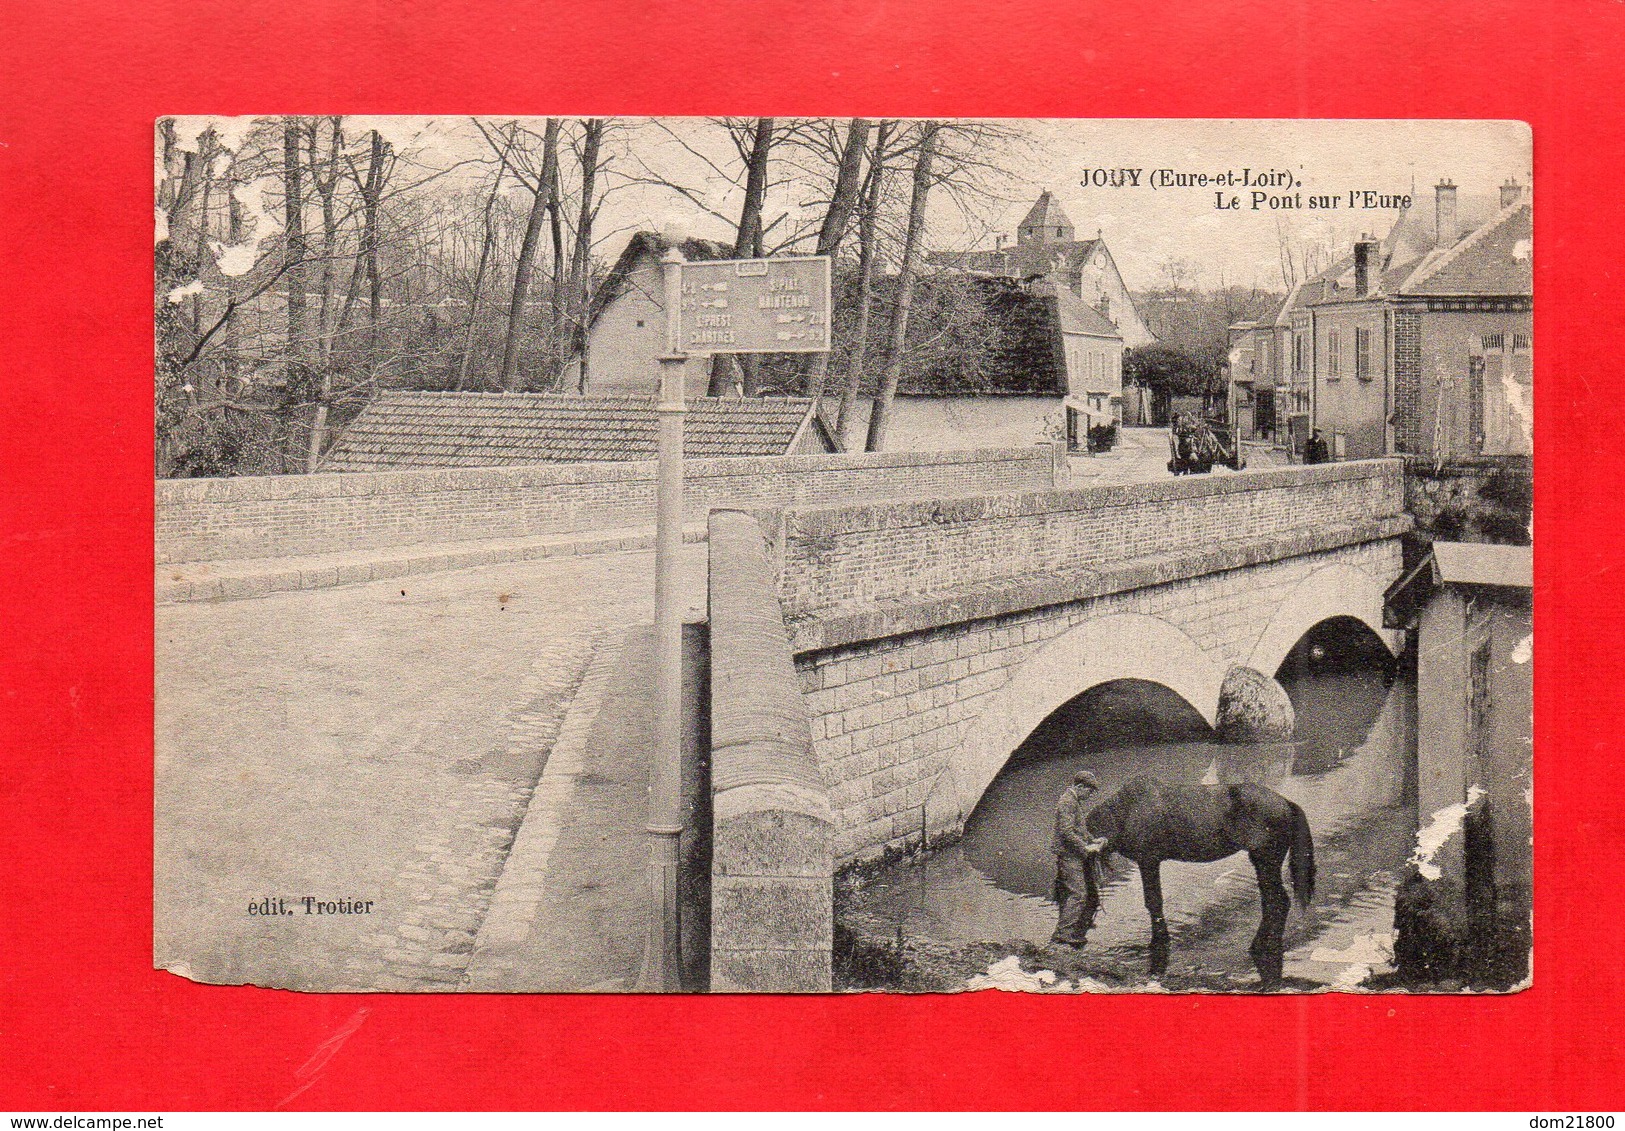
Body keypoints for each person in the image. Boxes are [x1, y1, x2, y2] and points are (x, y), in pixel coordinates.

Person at [1050, 770, 1105, 947]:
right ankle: (1063, 935)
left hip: (1073, 854)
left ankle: (1068, 930)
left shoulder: (1073, 800)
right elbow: (1066, 832)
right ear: (1080, 786)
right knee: (1078, 894)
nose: (1089, 796)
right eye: (1089, 791)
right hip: (1069, 855)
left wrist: (1092, 839)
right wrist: (1086, 848)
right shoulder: (1067, 802)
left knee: (1077, 893)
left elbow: (1078, 828)